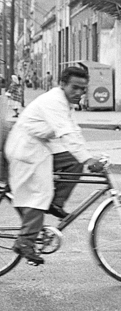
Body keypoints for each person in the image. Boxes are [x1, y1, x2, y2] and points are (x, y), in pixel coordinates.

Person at [4, 66, 104, 265]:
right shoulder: (54, 101)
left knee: (74, 161)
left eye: (83, 89)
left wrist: (87, 157)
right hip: (26, 149)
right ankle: (25, 241)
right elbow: (65, 132)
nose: (79, 93)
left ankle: (55, 203)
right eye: (75, 87)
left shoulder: (66, 103)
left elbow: (74, 131)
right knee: (40, 193)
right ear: (62, 84)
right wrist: (88, 160)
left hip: (39, 147)